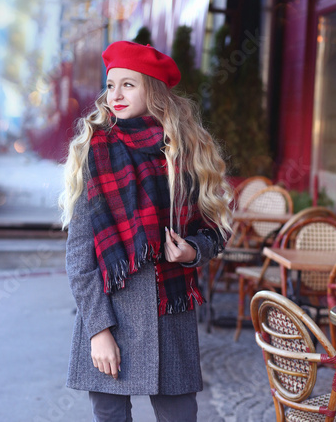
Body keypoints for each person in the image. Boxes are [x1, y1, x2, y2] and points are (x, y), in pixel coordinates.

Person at [60, 41, 232, 422]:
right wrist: (98, 330)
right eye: (111, 85)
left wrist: (192, 251)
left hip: (170, 312)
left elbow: (216, 228)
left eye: (129, 85)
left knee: (179, 415)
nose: (115, 95)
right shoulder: (96, 151)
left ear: (152, 89)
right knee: (110, 415)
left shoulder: (185, 152)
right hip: (110, 312)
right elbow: (79, 257)